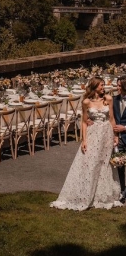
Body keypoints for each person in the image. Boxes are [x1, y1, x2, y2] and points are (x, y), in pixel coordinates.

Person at [50, 76, 122, 211]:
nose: (103, 87)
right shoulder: (86, 102)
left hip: (106, 133)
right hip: (93, 134)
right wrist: (84, 140)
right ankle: (85, 194)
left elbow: (111, 118)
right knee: (91, 161)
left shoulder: (108, 99)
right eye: (101, 85)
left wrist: (115, 135)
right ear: (94, 86)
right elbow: (84, 122)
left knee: (104, 163)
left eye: (103, 85)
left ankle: (102, 195)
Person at [112, 75, 126, 203]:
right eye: (117, 85)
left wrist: (125, 128)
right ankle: (122, 192)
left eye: (120, 86)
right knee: (119, 165)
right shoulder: (114, 100)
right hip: (118, 140)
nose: (117, 88)